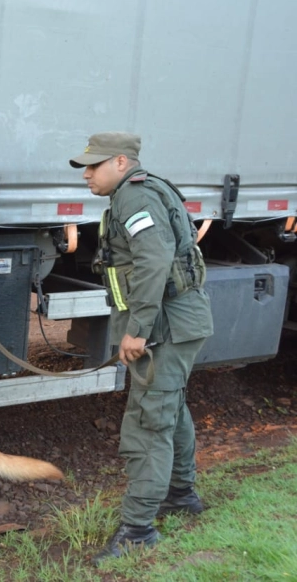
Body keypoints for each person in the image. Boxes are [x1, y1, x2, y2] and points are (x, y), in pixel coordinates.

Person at [69, 132, 214, 564]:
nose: (87, 175)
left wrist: (138, 330)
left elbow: (153, 261)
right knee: (168, 407)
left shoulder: (135, 198)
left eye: (93, 167)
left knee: (149, 422)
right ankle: (181, 494)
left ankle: (138, 531)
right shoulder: (141, 191)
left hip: (163, 327)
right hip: (178, 323)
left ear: (120, 162)